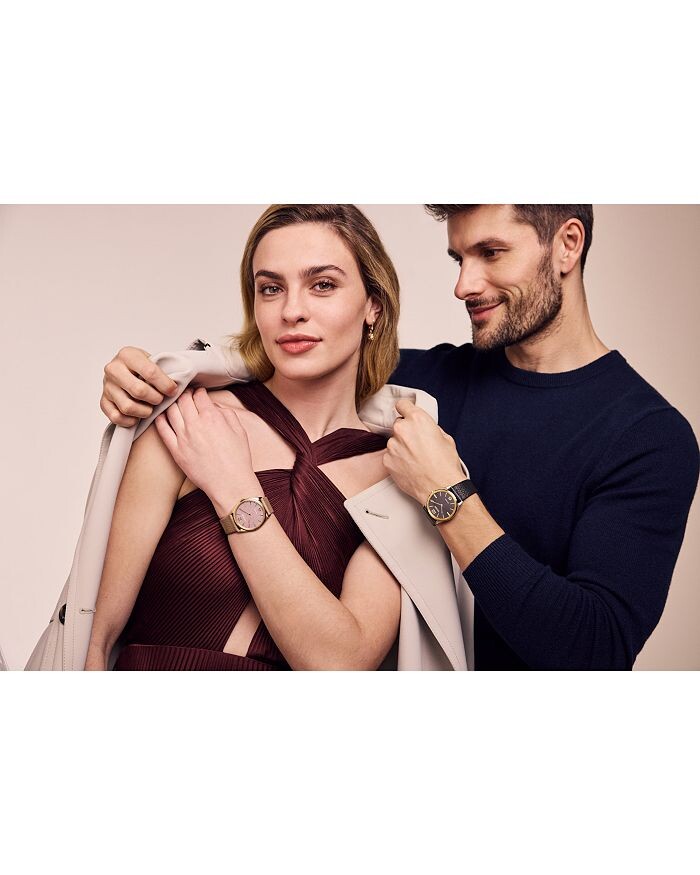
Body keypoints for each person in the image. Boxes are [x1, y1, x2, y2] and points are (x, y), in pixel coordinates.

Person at [101, 204, 700, 670]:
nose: (464, 284)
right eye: (458, 257)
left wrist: (449, 499)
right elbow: (303, 347)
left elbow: (595, 650)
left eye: (491, 253)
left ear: (568, 245)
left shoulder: (649, 437)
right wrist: (159, 370)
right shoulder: (423, 384)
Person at [83, 203, 408, 670]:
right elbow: (92, 638)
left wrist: (232, 486)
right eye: (271, 288)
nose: (292, 311)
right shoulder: (191, 421)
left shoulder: (398, 474)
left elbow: (342, 664)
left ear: (373, 304)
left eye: (322, 285)